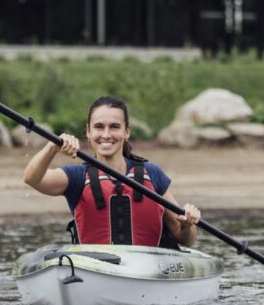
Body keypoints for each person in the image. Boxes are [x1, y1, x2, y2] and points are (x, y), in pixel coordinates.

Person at [23, 95, 201, 247]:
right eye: (99, 127)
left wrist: (188, 225)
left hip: (148, 272)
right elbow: (32, 178)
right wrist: (52, 147)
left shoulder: (152, 174)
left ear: (127, 132)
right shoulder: (76, 177)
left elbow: (186, 239)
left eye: (114, 127)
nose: (106, 134)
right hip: (97, 270)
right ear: (88, 131)